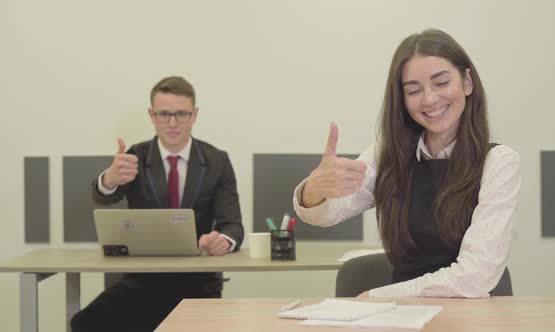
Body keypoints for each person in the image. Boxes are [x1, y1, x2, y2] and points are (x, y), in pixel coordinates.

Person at [293, 29, 521, 298]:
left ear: (467, 82)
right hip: (402, 318)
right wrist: (314, 190)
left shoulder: (499, 162)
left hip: (472, 317)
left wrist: (380, 296)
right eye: (413, 90)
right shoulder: (385, 156)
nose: (429, 99)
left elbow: (475, 277)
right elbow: (330, 213)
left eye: (441, 82)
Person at [71, 76, 244, 331]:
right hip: (141, 281)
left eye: (181, 114)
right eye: (164, 114)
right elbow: (104, 196)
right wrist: (109, 179)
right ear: (152, 116)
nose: (173, 123)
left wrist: (223, 241)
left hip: (197, 283)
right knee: (85, 323)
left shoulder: (217, 161)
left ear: (194, 115)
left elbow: (234, 226)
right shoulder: (135, 156)